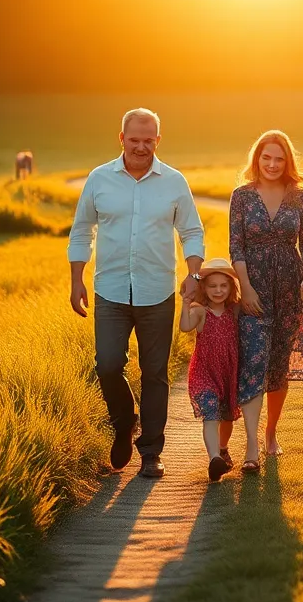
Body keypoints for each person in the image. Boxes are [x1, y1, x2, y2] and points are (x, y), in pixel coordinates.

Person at [68, 108, 204, 480]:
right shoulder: (99, 179)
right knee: (108, 365)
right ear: (122, 139)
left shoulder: (174, 182)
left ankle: (151, 452)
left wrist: (194, 273)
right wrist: (76, 278)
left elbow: (192, 231)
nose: (141, 147)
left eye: (149, 140)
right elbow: (82, 231)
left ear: (158, 141)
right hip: (110, 290)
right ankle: (125, 422)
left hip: (157, 290)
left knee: (155, 373)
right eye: (134, 140)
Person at [229, 130, 303, 471]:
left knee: (278, 369)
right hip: (254, 289)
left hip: (289, 291)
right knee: (253, 364)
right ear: (257, 159)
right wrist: (245, 287)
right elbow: (236, 246)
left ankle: (270, 432)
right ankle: (251, 445)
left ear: (287, 162)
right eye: (266, 157)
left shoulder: (300, 197)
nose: (272, 164)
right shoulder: (242, 196)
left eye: (279, 158)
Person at [179, 258, 242, 482]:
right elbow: (185, 327)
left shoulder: (234, 311)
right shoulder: (201, 312)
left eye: (223, 285)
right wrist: (186, 304)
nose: (218, 290)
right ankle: (214, 458)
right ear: (204, 288)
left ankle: (222, 448)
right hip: (204, 373)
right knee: (211, 415)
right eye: (212, 285)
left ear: (231, 287)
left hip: (228, 374)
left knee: (227, 418)